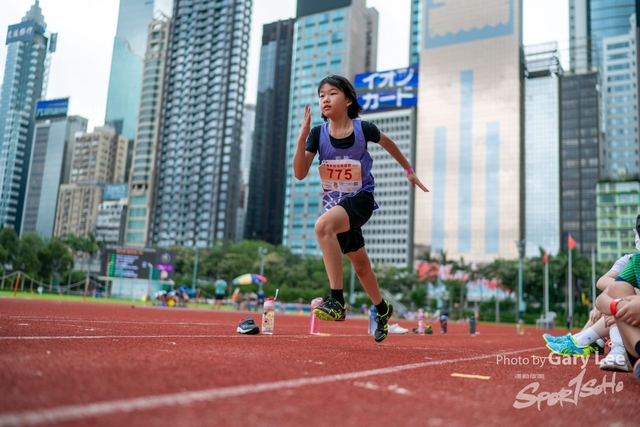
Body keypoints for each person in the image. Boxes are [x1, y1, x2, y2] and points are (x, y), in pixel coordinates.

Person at [293, 75, 428, 343]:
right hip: (336, 206)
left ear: (348, 99)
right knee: (361, 266)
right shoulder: (318, 135)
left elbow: (389, 143)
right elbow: (299, 173)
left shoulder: (363, 129)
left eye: (332, 93)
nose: (325, 99)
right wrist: (302, 137)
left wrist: (409, 171)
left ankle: (336, 301)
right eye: (321, 95)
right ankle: (382, 309)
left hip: (361, 199)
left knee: (322, 226)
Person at [595, 215, 640, 382]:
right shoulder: (635, 262)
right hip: (636, 344)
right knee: (618, 288)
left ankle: (584, 340)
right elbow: (601, 300)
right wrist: (617, 306)